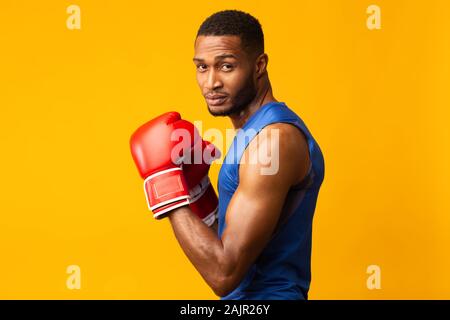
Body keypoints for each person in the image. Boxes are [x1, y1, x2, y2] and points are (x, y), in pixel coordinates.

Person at [130, 10, 325, 300]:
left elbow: (225, 274)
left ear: (259, 65)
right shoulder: (254, 134)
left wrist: (164, 184)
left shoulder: (273, 141)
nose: (211, 82)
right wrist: (198, 192)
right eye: (202, 67)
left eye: (226, 66)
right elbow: (233, 237)